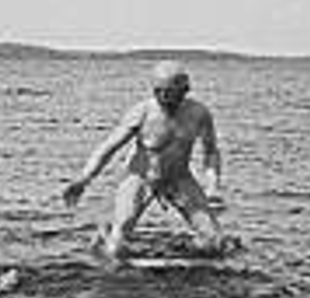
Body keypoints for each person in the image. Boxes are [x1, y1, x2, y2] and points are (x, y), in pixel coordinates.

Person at [63, 60, 225, 259]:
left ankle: (189, 267)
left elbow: (211, 152)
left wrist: (213, 187)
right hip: (141, 177)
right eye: (158, 91)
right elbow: (108, 148)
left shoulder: (199, 113)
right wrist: (84, 179)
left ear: (185, 90)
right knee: (116, 247)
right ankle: (105, 243)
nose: (163, 96)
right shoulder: (142, 113)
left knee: (214, 241)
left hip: (179, 178)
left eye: (169, 92)